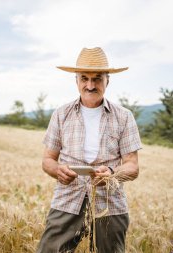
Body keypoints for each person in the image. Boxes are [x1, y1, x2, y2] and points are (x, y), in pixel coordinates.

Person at [37, 47, 142, 253]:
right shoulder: (61, 114)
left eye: (97, 79)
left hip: (110, 204)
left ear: (107, 81)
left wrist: (111, 174)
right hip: (67, 199)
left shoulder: (124, 116)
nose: (90, 85)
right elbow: (47, 160)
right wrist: (58, 170)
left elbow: (132, 166)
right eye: (84, 78)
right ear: (76, 81)